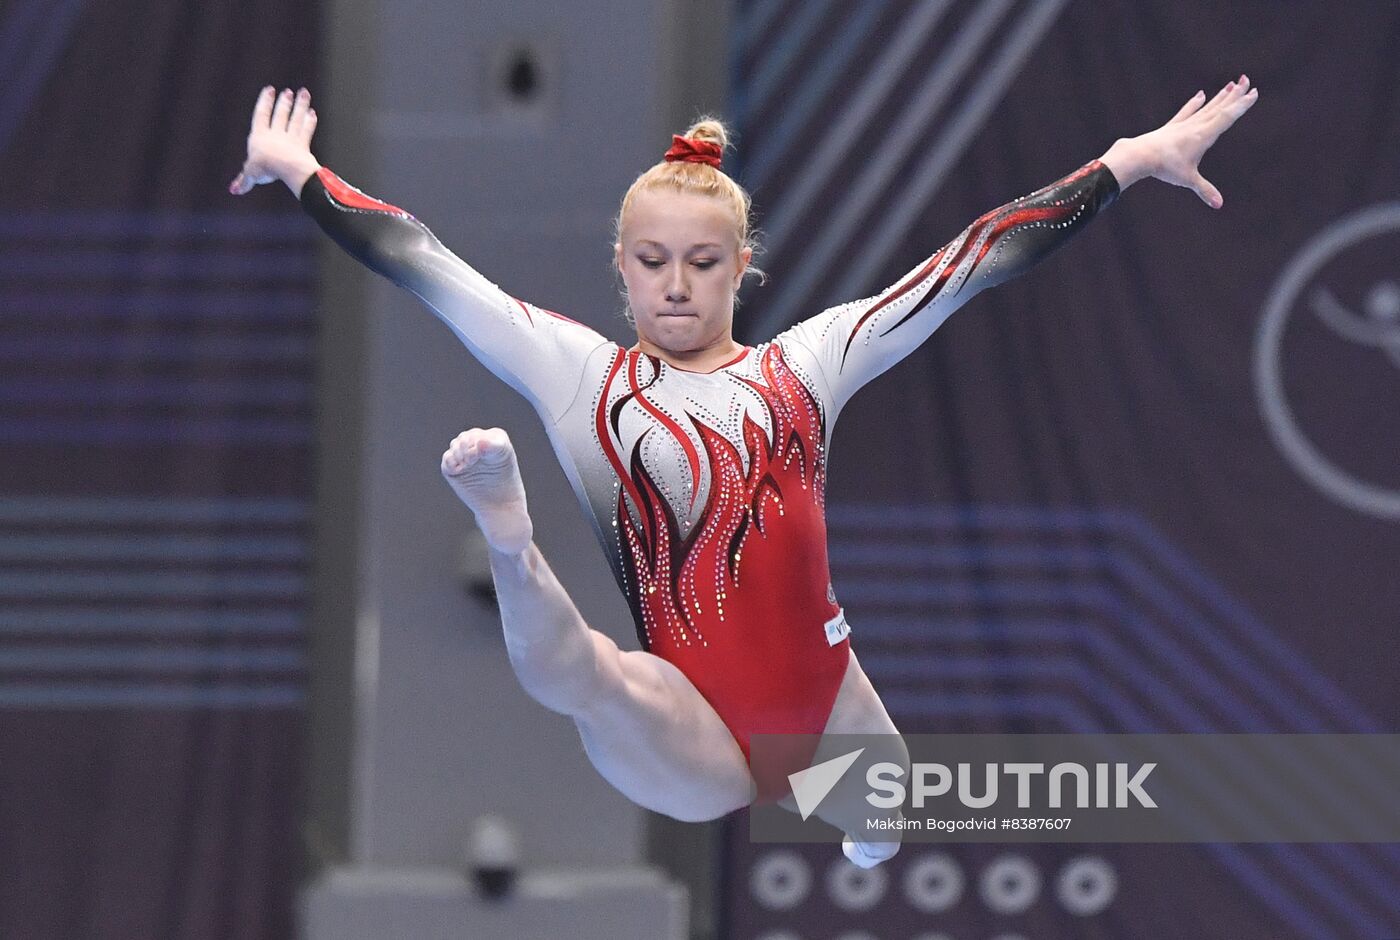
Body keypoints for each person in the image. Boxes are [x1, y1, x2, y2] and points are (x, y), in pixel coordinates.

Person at [230, 76, 1258, 867]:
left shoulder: (801, 368)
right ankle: (508, 534)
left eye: (702, 261)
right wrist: (298, 171)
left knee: (883, 821)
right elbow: (423, 261)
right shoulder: (579, 374)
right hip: (694, 731)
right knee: (588, 676)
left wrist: (1128, 158)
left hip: (823, 697)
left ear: (742, 265)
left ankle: (857, 805)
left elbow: (970, 261)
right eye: (650, 260)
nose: (674, 285)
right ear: (620, 263)